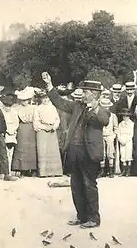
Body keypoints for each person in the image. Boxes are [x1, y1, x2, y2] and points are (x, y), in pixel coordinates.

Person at [42, 72, 110, 229]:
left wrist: (96, 108)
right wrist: (50, 86)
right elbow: (59, 102)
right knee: (76, 185)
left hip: (90, 153)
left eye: (86, 92)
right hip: (75, 152)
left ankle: (94, 218)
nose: (83, 94)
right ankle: (82, 216)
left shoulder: (102, 109)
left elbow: (104, 121)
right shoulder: (77, 105)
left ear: (94, 95)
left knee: (89, 185)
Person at [33, 91, 63, 177]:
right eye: (43, 98)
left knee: (53, 150)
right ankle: (43, 172)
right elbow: (36, 121)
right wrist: (44, 127)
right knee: (43, 150)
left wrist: (54, 126)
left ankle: (55, 172)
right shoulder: (38, 108)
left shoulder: (52, 107)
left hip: (52, 130)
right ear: (41, 99)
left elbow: (57, 119)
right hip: (42, 130)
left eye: (46, 98)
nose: (45, 100)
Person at [11, 87, 38, 177]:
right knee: (22, 148)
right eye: (23, 100)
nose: (24, 102)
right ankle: (22, 169)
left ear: (29, 100)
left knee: (31, 149)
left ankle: (33, 168)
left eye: (26, 100)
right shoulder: (17, 108)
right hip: (21, 128)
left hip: (31, 128)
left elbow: (35, 119)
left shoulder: (33, 108)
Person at [99, 98, 118, 178]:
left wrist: (113, 135)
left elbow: (116, 127)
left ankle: (111, 171)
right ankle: (102, 171)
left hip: (110, 136)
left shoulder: (113, 116)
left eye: (107, 107)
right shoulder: (98, 115)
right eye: (104, 107)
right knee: (101, 153)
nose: (106, 108)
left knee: (110, 153)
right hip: (101, 135)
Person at [55, 85, 73, 170]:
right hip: (58, 129)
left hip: (69, 129)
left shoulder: (71, 104)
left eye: (64, 95)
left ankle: (67, 168)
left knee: (68, 148)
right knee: (58, 147)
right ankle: (59, 167)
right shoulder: (55, 105)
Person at [117, 108, 135, 176]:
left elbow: (131, 134)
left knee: (128, 154)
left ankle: (128, 171)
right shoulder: (120, 124)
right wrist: (120, 140)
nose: (125, 117)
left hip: (128, 140)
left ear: (129, 116)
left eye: (126, 116)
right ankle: (124, 170)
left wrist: (126, 140)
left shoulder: (131, 124)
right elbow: (118, 133)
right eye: (123, 116)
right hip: (122, 139)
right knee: (123, 154)